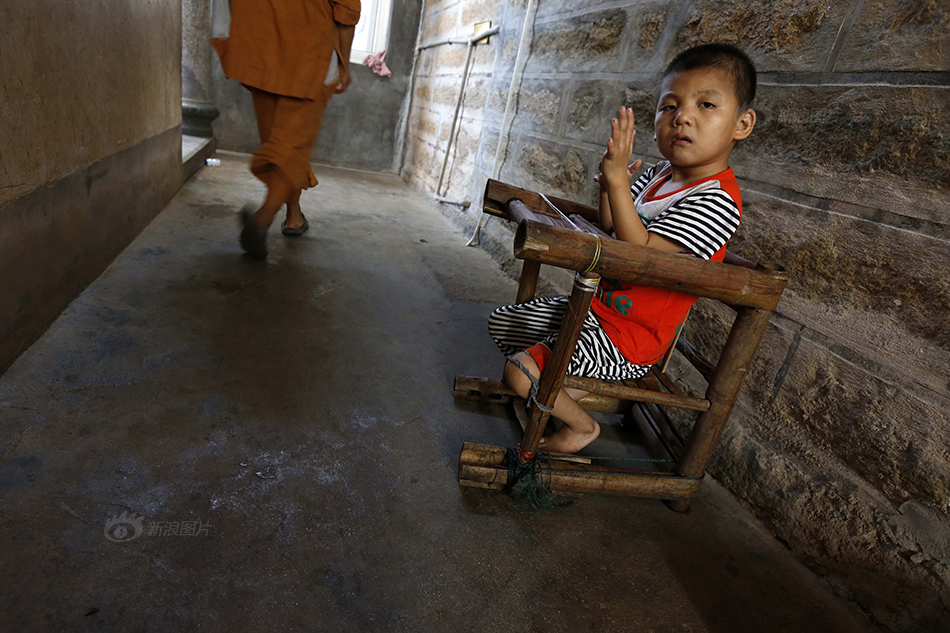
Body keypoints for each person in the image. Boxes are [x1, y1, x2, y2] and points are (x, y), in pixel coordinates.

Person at [489, 44, 757, 454]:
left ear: (741, 124)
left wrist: (618, 183)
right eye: (669, 107)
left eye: (706, 105)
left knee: (518, 372)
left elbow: (642, 254)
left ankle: (580, 427)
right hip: (598, 313)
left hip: (631, 339)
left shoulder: (717, 201)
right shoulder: (657, 174)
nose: (682, 117)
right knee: (504, 324)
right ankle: (559, 389)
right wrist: (606, 184)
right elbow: (614, 225)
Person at [211, 0, 361, 258]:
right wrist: (344, 62)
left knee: (278, 142)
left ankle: (294, 216)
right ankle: (263, 218)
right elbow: (347, 10)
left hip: (259, 41)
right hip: (309, 46)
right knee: (292, 145)